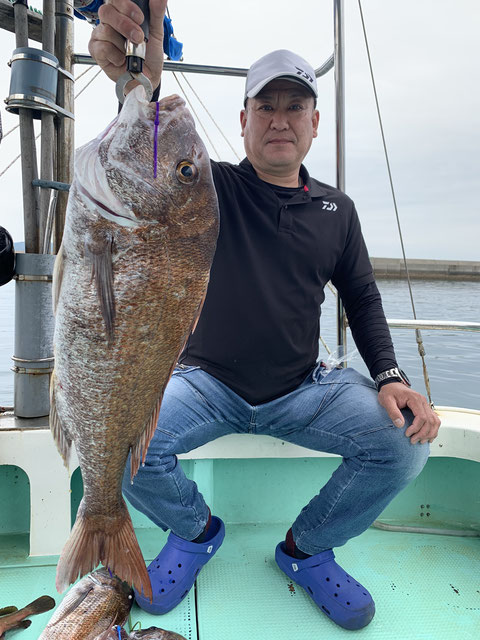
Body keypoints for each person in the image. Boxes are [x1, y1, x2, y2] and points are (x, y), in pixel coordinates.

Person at [89, 1, 441, 631]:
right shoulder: (208, 185)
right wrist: (140, 73)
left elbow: (361, 296)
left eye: (294, 107)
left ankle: (305, 549)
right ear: (245, 119)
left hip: (304, 386)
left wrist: (388, 375)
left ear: (313, 124)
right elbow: (148, 151)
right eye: (267, 108)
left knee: (404, 446)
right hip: (206, 382)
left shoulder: (339, 210)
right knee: (115, 450)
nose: (281, 120)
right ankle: (196, 531)